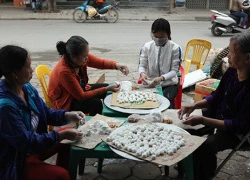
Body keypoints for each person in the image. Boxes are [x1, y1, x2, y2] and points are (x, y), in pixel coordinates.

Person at [0, 45, 84, 180]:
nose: (31, 70)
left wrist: (67, 115)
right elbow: (27, 143)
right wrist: (60, 136)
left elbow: (46, 113)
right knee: (61, 175)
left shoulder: (26, 88)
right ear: (15, 73)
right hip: (17, 159)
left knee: (72, 135)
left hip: (34, 145)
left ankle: (58, 169)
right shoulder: (5, 107)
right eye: (28, 67)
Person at [178, 31, 250, 180]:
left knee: (205, 147)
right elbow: (217, 95)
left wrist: (203, 121)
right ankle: (185, 172)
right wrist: (194, 105)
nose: (227, 56)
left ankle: (202, 176)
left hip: (236, 131)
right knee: (183, 131)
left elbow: (239, 125)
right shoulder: (231, 71)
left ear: (247, 57)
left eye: (231, 52)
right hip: (219, 114)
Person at [48, 35, 129, 115]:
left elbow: (101, 63)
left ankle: (111, 114)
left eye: (87, 55)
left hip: (79, 89)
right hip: (66, 100)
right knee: (96, 103)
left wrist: (116, 65)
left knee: (109, 88)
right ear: (73, 56)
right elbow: (81, 96)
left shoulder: (79, 58)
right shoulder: (64, 71)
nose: (87, 58)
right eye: (84, 56)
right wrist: (106, 89)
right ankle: (94, 123)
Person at [138, 18, 182, 109]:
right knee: (144, 102)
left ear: (168, 35)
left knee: (166, 102)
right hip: (150, 82)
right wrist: (142, 74)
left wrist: (161, 78)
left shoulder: (175, 48)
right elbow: (141, 65)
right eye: (156, 37)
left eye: (161, 37)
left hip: (169, 83)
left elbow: (174, 71)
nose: (158, 39)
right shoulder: (146, 47)